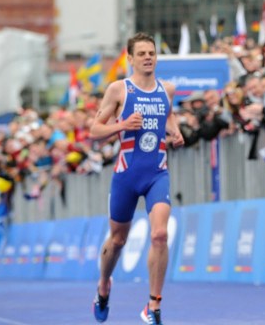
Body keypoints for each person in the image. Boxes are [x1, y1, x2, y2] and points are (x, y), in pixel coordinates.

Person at [89, 32, 184, 325]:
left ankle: (153, 306)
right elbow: (94, 131)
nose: (147, 58)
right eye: (141, 53)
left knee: (159, 234)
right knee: (117, 241)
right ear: (130, 59)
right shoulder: (119, 90)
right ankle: (104, 284)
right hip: (126, 175)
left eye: (151, 53)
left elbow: (168, 117)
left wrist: (175, 131)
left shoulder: (166, 89)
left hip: (157, 173)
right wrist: (122, 125)